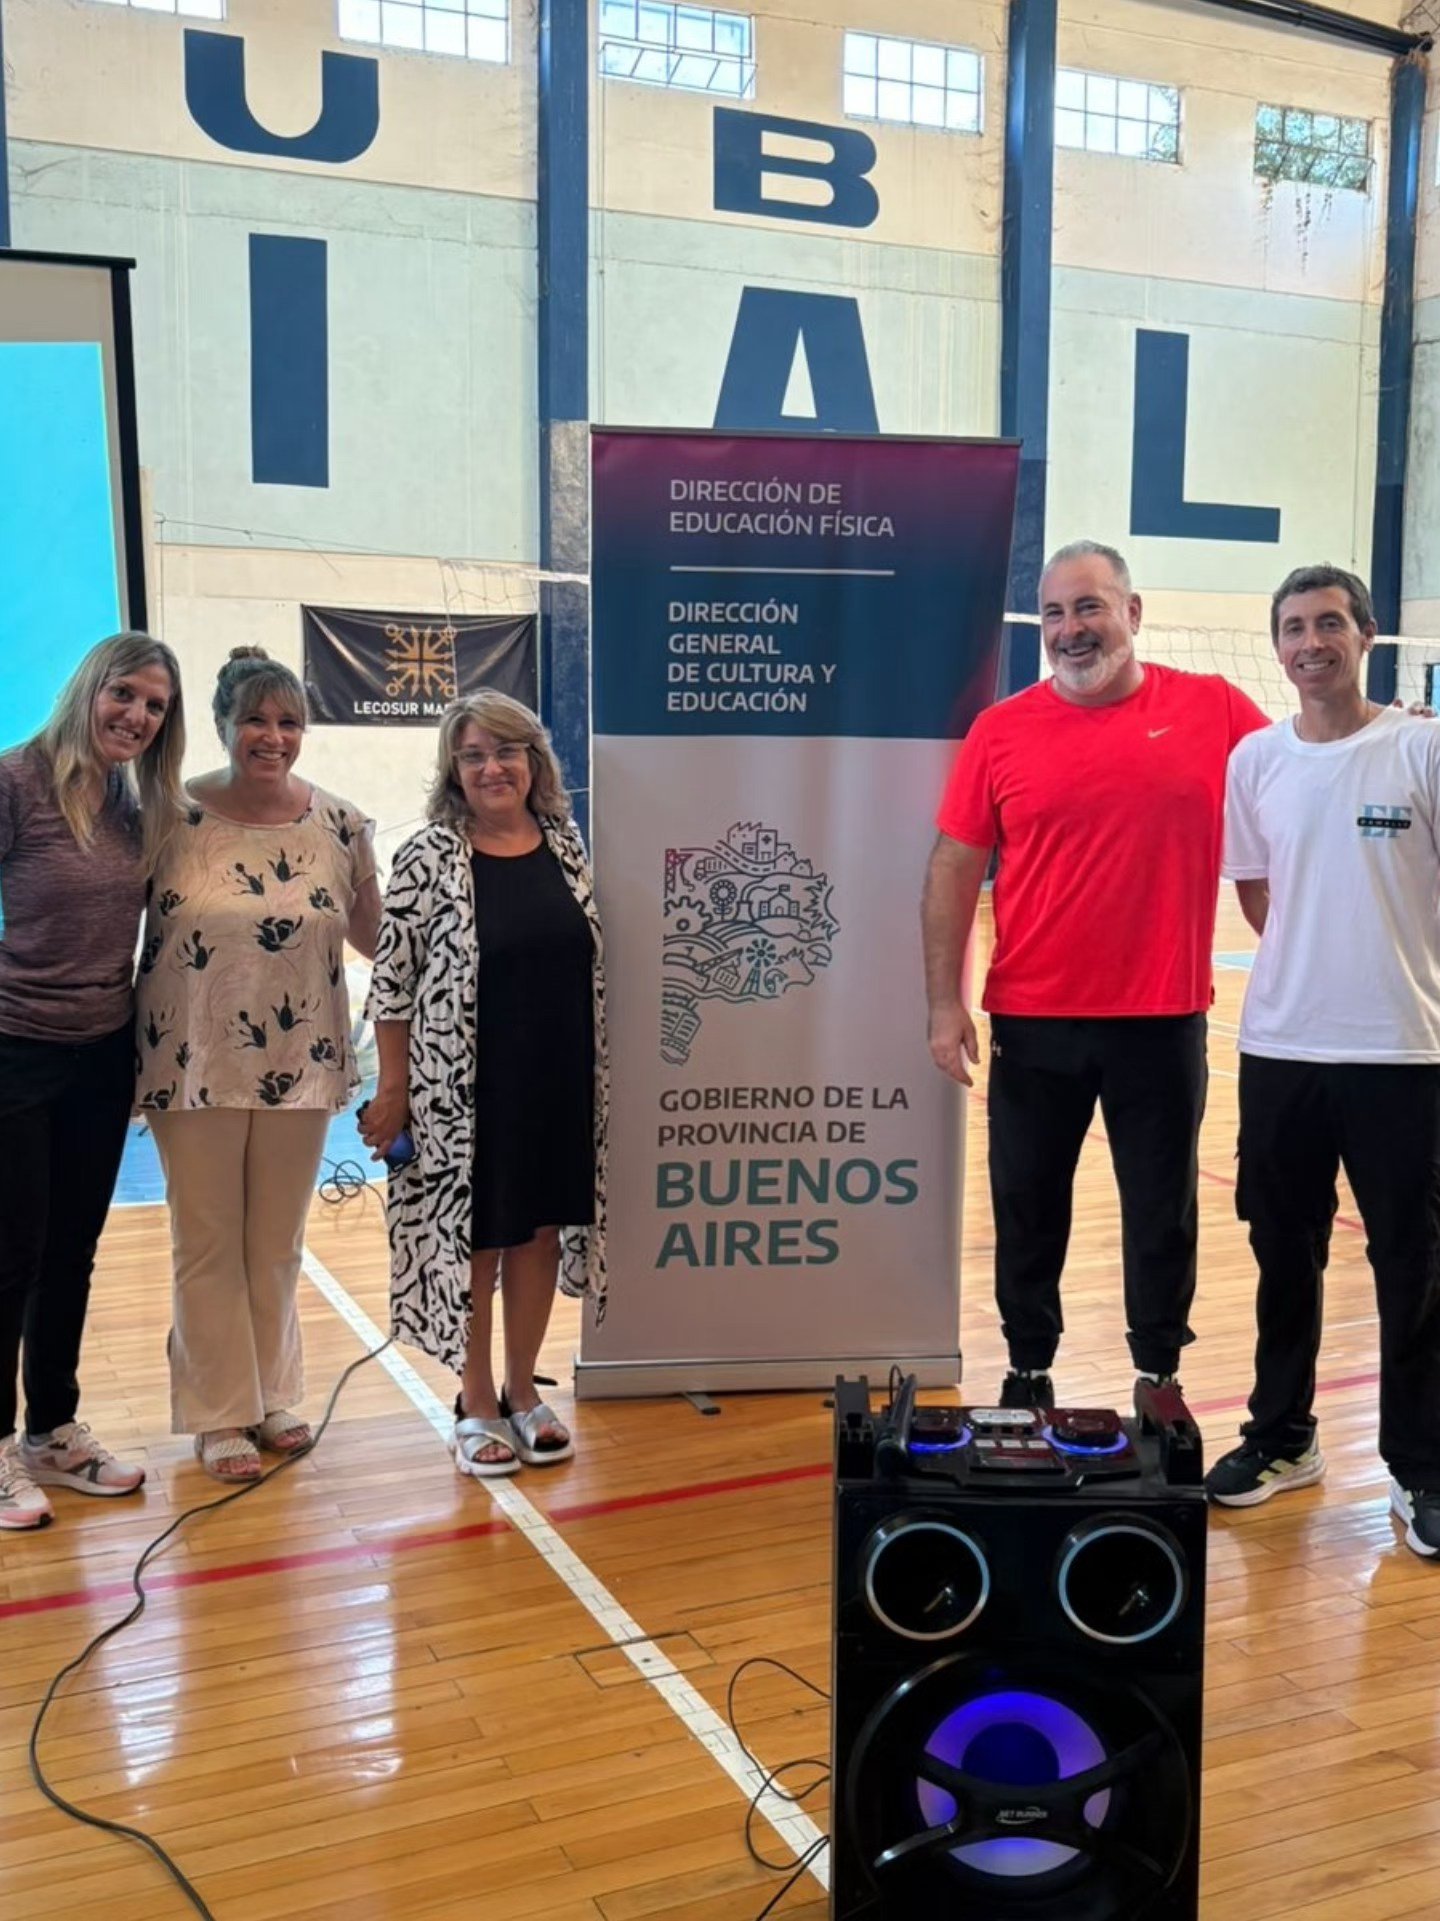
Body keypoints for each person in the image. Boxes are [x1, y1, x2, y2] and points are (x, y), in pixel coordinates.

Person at [922, 540, 1269, 1408]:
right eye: (1054, 612)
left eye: (1089, 606)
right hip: (1035, 1018)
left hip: (1164, 1017)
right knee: (1027, 1204)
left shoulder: (1216, 708)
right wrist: (942, 1003)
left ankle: (1160, 1371)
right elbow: (954, 866)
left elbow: (1301, 786)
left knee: (1161, 1209)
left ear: (1132, 612)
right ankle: (1028, 1366)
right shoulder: (1001, 730)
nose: (1071, 629)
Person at [1205, 565, 1440, 1558]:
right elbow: (1259, 893)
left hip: (1404, 1051)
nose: (1312, 643)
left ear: (1367, 635)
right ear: (1279, 645)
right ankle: (1283, 1436)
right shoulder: (1256, 759)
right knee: (1282, 1248)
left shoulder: (1421, 748)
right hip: (1283, 1048)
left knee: (1414, 1263)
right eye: (1295, 627)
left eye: (1330, 623)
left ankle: (1422, 1465)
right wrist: (1320, 958)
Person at [136, 647, 380, 1482]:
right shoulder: (166, 815)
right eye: (255, 720)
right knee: (207, 1240)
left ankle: (272, 1395)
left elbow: (379, 939)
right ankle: (218, 1414)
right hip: (189, 1059)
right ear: (222, 724)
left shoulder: (342, 824)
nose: (272, 737)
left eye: (288, 722)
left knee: (276, 1241)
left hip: (301, 1060)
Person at [360, 691, 607, 1479]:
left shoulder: (564, 842)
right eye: (472, 755)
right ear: (453, 770)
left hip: (556, 1076)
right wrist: (393, 1089)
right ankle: (474, 1402)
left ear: (534, 760)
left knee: (538, 1233)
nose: (491, 768)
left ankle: (522, 1389)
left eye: (505, 751)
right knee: (476, 1242)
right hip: (460, 1089)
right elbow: (391, 984)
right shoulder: (428, 855)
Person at [0, 632, 186, 1530]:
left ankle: (53, 1430)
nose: (137, 716)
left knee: (71, 1249)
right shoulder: (15, 782)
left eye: (154, 706)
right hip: (14, 1047)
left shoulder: (130, 803)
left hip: (102, 1051)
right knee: (11, 1252)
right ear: (89, 688)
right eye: (126, 694)